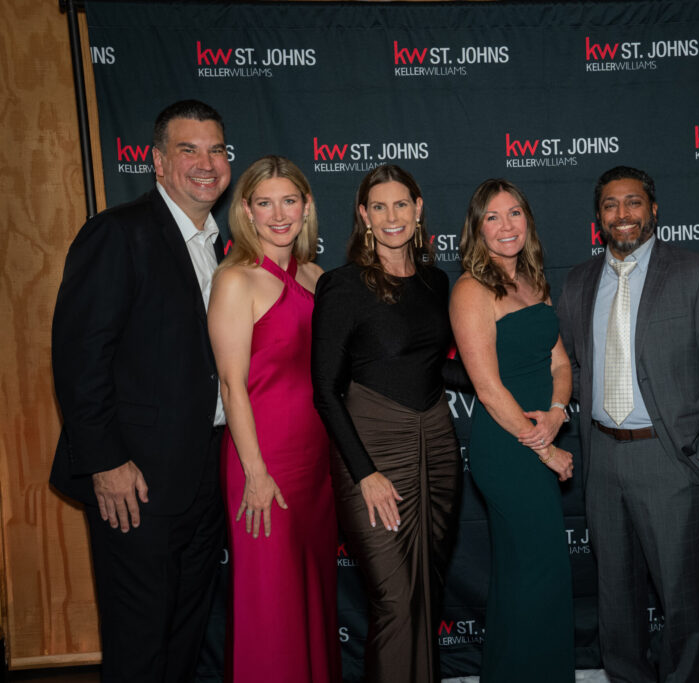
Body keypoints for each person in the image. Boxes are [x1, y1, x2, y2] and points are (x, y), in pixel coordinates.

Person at [50, 99, 230, 682]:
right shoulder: (117, 233)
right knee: (139, 644)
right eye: (188, 150)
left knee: (184, 637)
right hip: (135, 480)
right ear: (157, 162)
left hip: (206, 473)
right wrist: (105, 462)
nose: (206, 163)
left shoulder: (221, 247)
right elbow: (80, 358)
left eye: (216, 150)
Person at [557, 166, 699, 683]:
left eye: (634, 202)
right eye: (611, 205)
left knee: (682, 605)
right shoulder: (578, 281)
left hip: (671, 459)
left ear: (654, 209)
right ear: (598, 217)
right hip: (603, 457)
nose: (623, 214)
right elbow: (571, 367)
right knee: (616, 602)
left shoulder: (696, 272)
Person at [312, 164, 463, 683]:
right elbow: (325, 391)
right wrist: (365, 473)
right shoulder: (342, 286)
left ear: (418, 209)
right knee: (395, 599)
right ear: (364, 216)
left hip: (437, 449)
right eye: (378, 207)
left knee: (427, 593)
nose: (391, 216)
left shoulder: (435, 281)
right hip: (372, 452)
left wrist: (509, 377)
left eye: (401, 204)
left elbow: (432, 366)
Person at [207, 155, 339, 682]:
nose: (279, 214)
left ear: (307, 206)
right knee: (272, 600)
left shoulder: (316, 276)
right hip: (262, 458)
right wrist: (256, 472)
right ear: (246, 210)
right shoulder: (235, 280)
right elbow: (231, 384)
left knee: (313, 592)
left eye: (289, 201)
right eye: (265, 203)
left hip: (317, 462)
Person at [449, 178, 575, 682]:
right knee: (536, 571)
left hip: (538, 433)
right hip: (507, 448)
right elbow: (487, 388)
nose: (506, 226)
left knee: (531, 574)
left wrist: (558, 413)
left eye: (515, 213)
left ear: (528, 220)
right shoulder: (471, 289)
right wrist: (546, 450)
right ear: (477, 228)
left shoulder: (533, 281)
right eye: (493, 216)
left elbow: (559, 362)